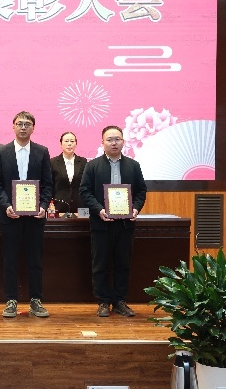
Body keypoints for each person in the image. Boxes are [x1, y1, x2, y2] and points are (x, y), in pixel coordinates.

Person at [79, 125, 147, 318]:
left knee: (122, 264)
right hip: (101, 223)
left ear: (123, 142)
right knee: (100, 264)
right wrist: (99, 210)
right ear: (102, 143)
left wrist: (136, 208)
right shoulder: (92, 166)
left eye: (117, 139)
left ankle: (119, 301)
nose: (114, 143)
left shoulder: (133, 165)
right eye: (109, 139)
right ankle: (103, 301)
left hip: (125, 224)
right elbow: (85, 191)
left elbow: (141, 191)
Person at [0, 111, 53, 318]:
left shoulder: (42, 152)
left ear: (33, 127)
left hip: (35, 218)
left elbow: (48, 184)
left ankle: (36, 300)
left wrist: (43, 205)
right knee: (10, 260)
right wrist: (6, 205)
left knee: (35, 260)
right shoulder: (2, 151)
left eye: (27, 124)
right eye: (19, 123)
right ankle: (11, 301)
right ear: (13, 126)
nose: (23, 127)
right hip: (10, 216)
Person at [49, 131, 87, 214]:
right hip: (58, 206)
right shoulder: (52, 162)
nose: (69, 144)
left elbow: (86, 186)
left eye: (72, 141)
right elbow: (49, 185)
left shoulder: (84, 162)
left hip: (80, 206)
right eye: (66, 141)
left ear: (76, 144)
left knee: (83, 223)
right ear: (61, 144)